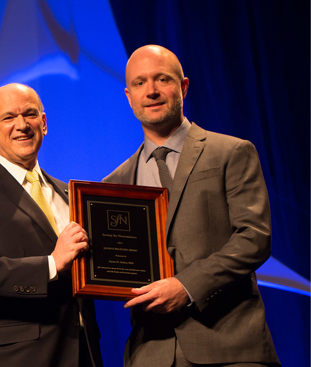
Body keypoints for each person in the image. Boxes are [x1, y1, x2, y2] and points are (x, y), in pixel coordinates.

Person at [103, 45, 280, 367]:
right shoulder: (114, 184)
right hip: (151, 352)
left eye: (162, 80)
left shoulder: (230, 152)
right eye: (140, 83)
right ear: (128, 95)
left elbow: (254, 237)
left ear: (183, 86)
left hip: (230, 345)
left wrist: (187, 285)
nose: (152, 91)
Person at [0, 83, 103, 366]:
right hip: (13, 358)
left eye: (30, 114)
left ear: (44, 123)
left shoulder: (70, 194)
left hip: (82, 355)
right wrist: (51, 264)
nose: (22, 125)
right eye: (8, 117)